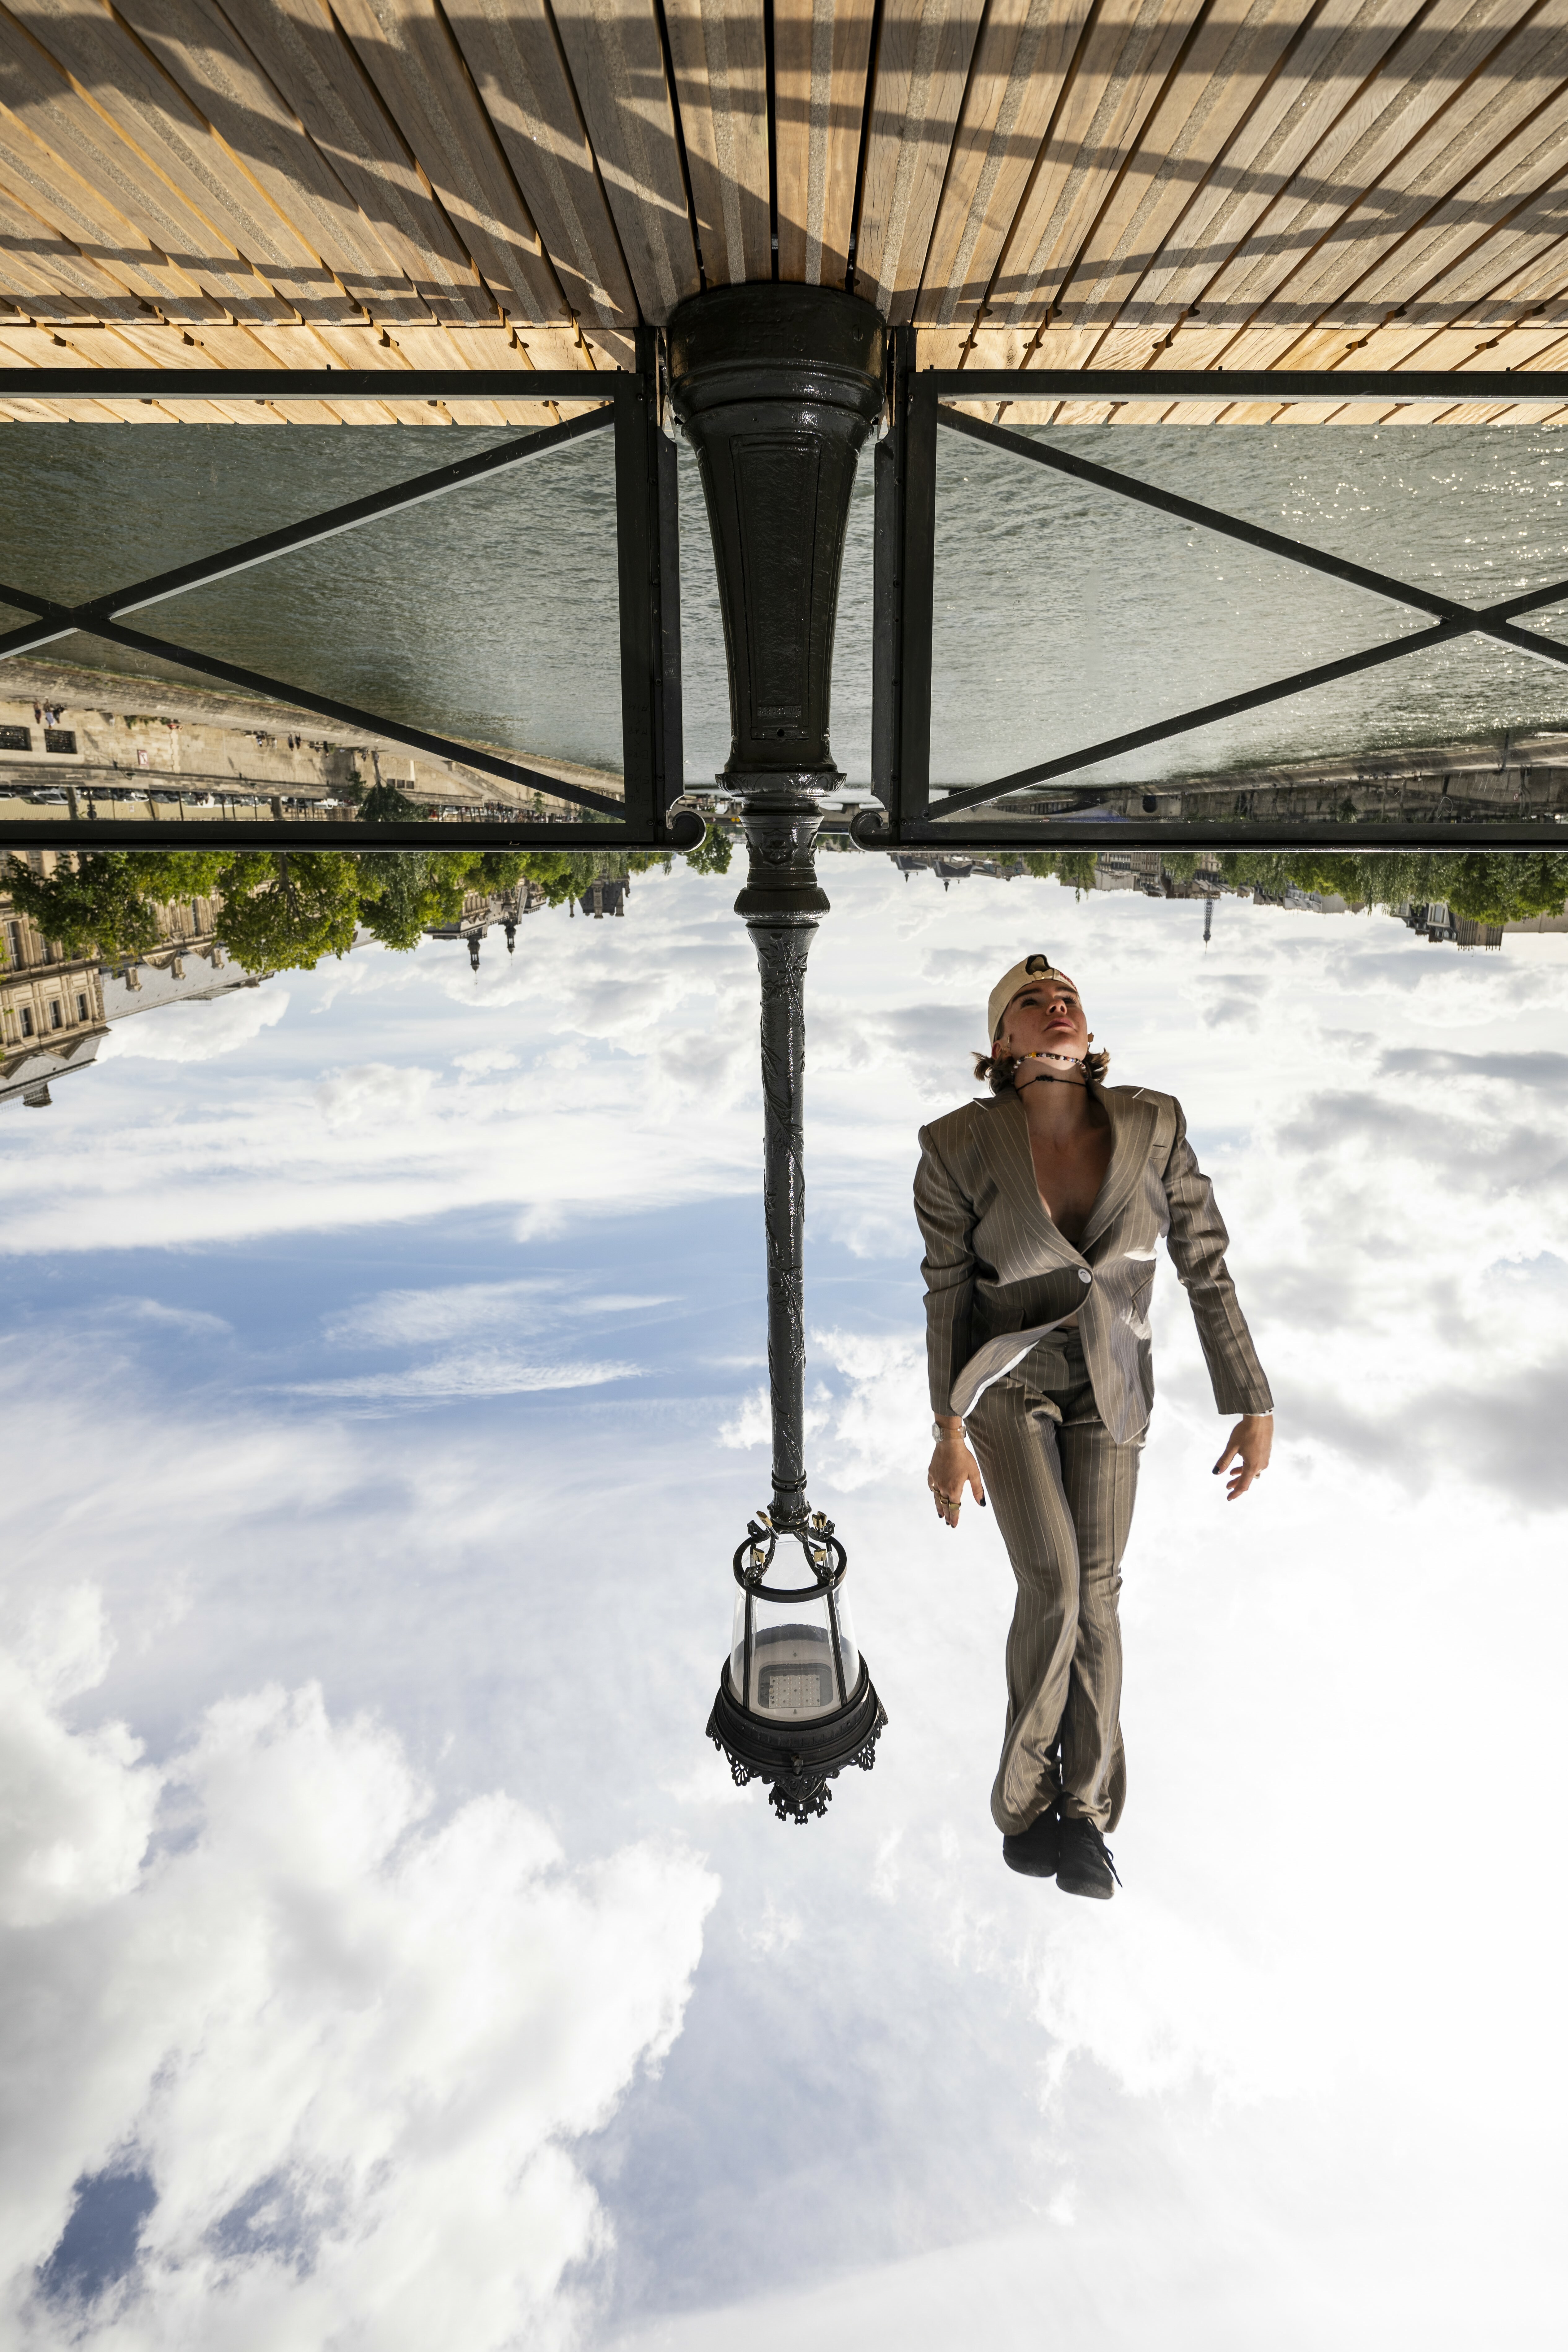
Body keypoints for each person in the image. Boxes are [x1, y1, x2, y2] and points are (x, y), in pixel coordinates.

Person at [914, 954, 1273, 1900]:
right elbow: (948, 1294)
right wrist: (948, 1427)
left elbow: (1205, 1260)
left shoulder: (1154, 1123)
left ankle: (1085, 1813)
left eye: (1066, 994)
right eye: (1032, 1003)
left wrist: (1252, 1398)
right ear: (1003, 1046)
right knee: (1058, 1585)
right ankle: (1020, 1801)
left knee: (1102, 1596)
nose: (1057, 1004)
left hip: (1113, 1380)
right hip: (1005, 1378)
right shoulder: (955, 1146)